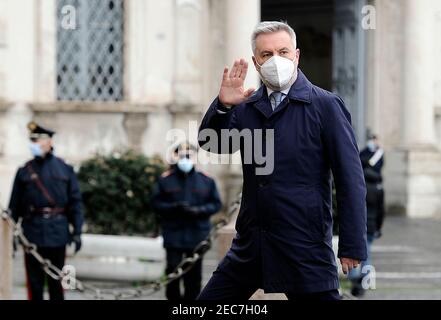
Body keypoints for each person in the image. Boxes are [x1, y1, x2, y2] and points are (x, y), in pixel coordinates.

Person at [197, 21, 367, 300]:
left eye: (283, 51)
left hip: (305, 245)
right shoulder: (247, 107)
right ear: (256, 61)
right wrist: (224, 106)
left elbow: (351, 179)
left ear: (296, 56)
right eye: (266, 55)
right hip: (252, 245)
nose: (275, 60)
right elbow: (212, 143)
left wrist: (353, 244)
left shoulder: (325, 105)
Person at [8, 121, 83, 300]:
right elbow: (14, 206)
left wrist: (78, 231)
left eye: (38, 141)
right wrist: (11, 235)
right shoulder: (24, 171)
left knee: (57, 284)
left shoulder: (65, 169)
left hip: (58, 232)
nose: (34, 145)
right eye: (32, 141)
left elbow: (75, 203)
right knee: (34, 285)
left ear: (49, 142)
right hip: (32, 234)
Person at [152, 142, 222, 300]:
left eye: (189, 156)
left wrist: (199, 210)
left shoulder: (206, 180)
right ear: (176, 157)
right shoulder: (165, 180)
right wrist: (173, 207)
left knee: (194, 277)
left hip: (197, 234)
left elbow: (216, 204)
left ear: (195, 157)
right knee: (172, 273)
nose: (185, 159)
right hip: (174, 234)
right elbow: (156, 203)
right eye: (182, 156)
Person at [349, 134, 385, 297]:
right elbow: (381, 211)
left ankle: (355, 278)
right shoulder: (378, 190)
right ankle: (365, 280)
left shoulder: (359, 189)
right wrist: (378, 227)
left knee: (356, 251)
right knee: (367, 252)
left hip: (360, 224)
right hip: (370, 226)